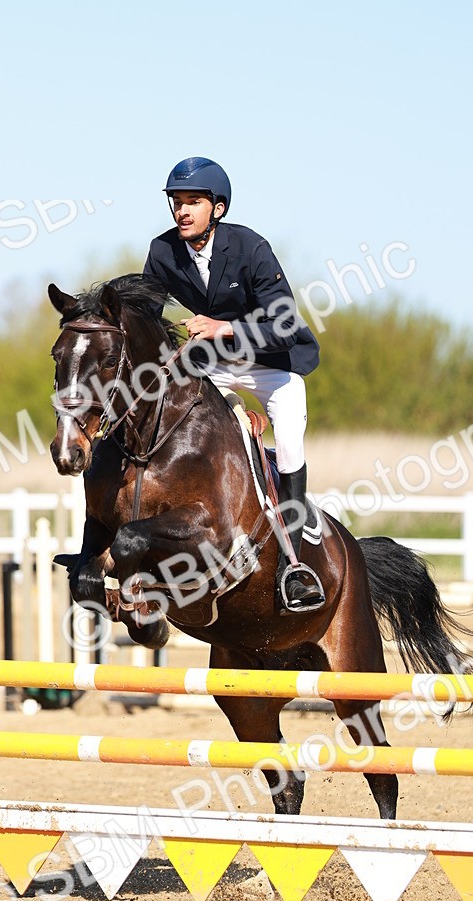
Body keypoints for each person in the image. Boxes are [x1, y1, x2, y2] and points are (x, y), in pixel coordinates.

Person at [143, 156, 325, 614]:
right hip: (215, 366)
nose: (182, 211)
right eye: (176, 203)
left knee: (288, 446)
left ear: (217, 208)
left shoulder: (250, 248)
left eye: (193, 202)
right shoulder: (163, 251)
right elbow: (144, 316)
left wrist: (222, 328)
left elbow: (283, 326)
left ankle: (295, 565)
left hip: (273, 362)